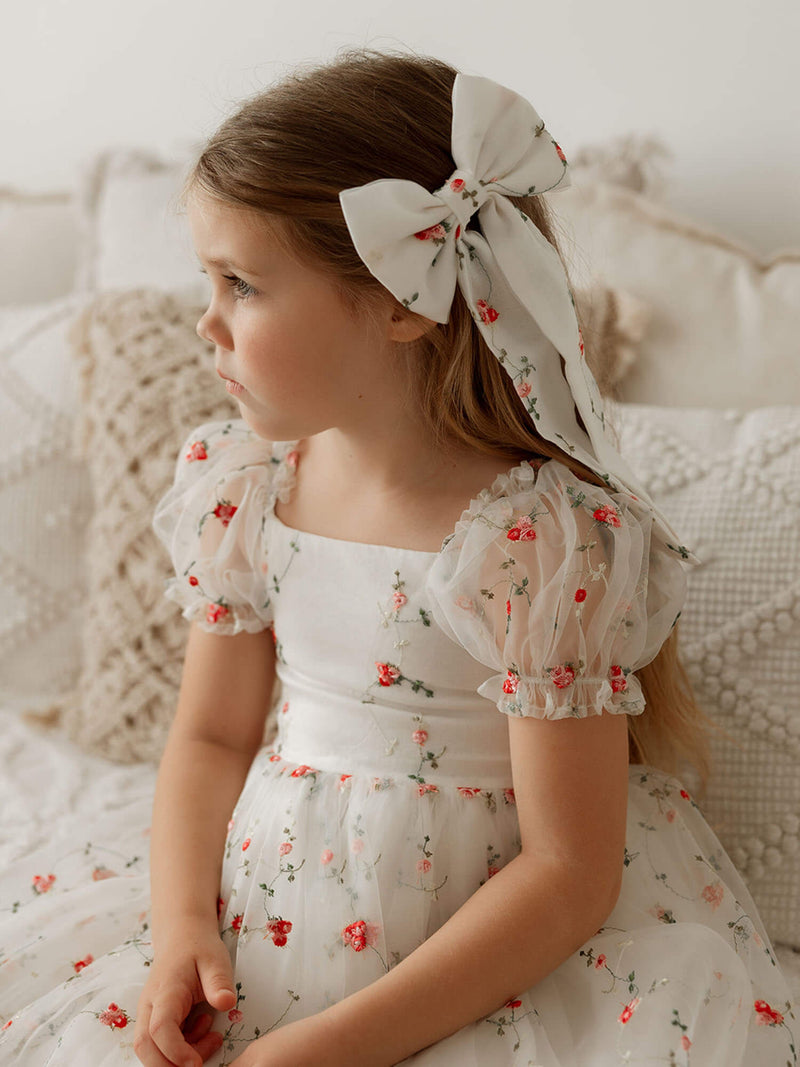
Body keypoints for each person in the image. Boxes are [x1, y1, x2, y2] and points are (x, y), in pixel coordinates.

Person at [0, 46, 795, 1067]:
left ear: (400, 300)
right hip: (263, 902)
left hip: (478, 952)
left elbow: (566, 869)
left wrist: (326, 1047)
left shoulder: (535, 542)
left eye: (240, 283)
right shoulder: (247, 487)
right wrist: (182, 930)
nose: (206, 323)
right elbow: (206, 738)